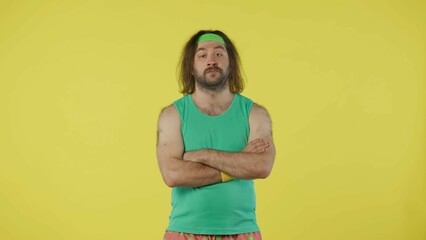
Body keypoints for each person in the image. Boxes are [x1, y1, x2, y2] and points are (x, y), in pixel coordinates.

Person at [156, 30, 276, 240]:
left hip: (242, 231)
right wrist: (238, 163)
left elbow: (261, 166)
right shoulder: (172, 115)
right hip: (184, 232)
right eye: (202, 55)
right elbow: (173, 174)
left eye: (219, 54)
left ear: (231, 63)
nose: (211, 60)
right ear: (191, 67)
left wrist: (201, 154)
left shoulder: (255, 114)